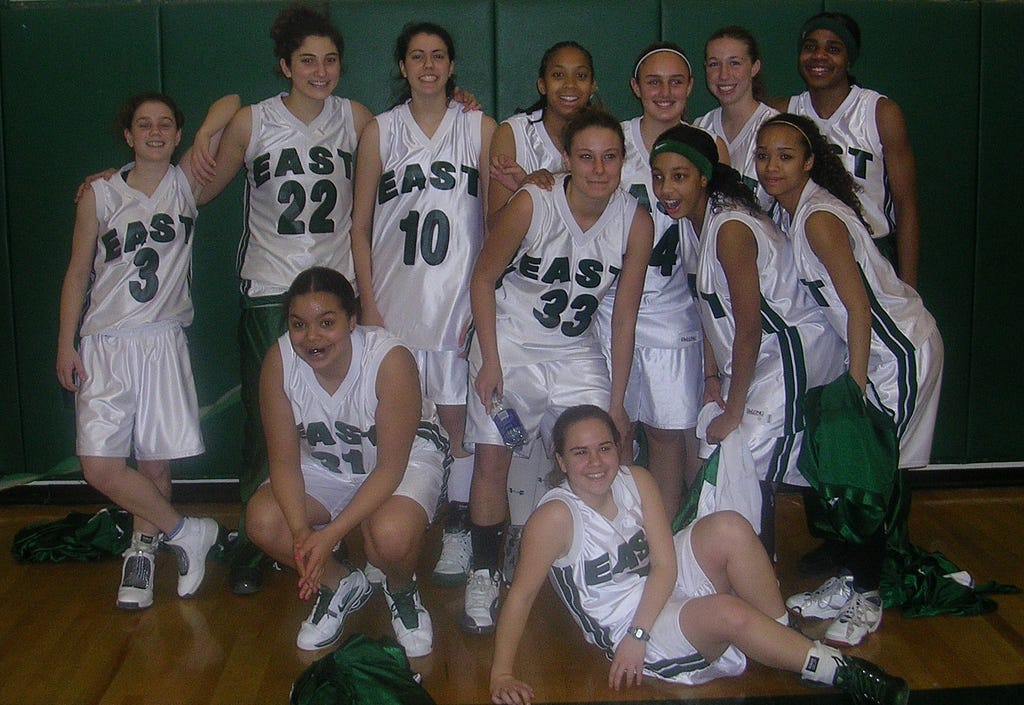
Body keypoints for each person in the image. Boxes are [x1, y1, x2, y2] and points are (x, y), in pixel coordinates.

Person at [489, 405, 910, 705]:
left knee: (728, 526)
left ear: (620, 449)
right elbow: (521, 597)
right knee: (728, 613)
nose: (596, 462)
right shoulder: (555, 519)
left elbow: (665, 563)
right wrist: (501, 674)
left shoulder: (635, 478)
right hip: (627, 630)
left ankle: (787, 640)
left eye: (605, 448)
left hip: (661, 584)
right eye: (580, 453)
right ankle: (845, 674)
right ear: (561, 461)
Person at [188, 2, 373, 595]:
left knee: (346, 418)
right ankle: (258, 533)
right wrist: (200, 133)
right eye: (307, 61)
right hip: (273, 291)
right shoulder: (254, 120)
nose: (320, 71)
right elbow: (198, 191)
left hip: (337, 293)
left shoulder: (357, 118)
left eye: (330, 60)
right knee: (266, 423)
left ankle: (340, 526)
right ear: (285, 66)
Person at [463, 107, 654, 634]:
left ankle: (598, 566)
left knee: (600, 453)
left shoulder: (635, 219)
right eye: (586, 157)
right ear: (566, 158)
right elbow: (482, 280)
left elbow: (624, 317)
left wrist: (616, 400)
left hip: (575, 350)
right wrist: (490, 358)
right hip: (511, 343)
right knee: (492, 459)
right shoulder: (534, 201)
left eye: (610, 157)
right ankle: (484, 572)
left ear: (623, 160)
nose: (598, 169)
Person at [755, 113, 943, 646]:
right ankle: (850, 580)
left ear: (810, 161)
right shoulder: (790, 210)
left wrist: (854, 390)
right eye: (764, 155)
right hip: (869, 352)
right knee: (850, 473)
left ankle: (867, 596)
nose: (772, 166)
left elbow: (858, 307)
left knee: (863, 476)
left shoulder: (817, 218)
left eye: (786, 156)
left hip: (897, 352)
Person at [56, 93, 223, 610]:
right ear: (127, 136)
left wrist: (197, 140)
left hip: (160, 339)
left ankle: (143, 550)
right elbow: (78, 272)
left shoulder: (188, 183)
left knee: (154, 464)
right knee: (98, 465)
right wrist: (65, 343)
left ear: (178, 135)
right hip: (104, 341)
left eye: (166, 125)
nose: (155, 132)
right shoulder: (99, 193)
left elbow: (230, 106)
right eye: (143, 125)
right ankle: (186, 531)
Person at [648, 124, 844, 545]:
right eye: (658, 176)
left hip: (790, 349)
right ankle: (746, 568)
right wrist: (713, 379)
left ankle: (757, 580)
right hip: (758, 356)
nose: (666, 188)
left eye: (679, 176)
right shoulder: (691, 219)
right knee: (729, 469)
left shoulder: (731, 227)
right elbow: (710, 311)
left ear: (703, 176)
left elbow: (750, 326)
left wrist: (734, 410)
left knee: (740, 465)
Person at [350, 22, 495, 588]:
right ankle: (385, 528)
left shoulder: (479, 127)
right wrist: (368, 303)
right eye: (417, 56)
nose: (428, 65)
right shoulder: (380, 133)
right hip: (394, 301)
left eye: (439, 56)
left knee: (459, 425)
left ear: (453, 66)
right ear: (403, 66)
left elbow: (496, 219)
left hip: (458, 302)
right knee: (395, 427)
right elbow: (359, 227)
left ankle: (457, 525)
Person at [245, 266, 450, 656]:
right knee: (264, 521)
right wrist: (304, 537)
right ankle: (339, 584)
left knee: (388, 534)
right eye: (299, 325)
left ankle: (401, 589)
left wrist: (330, 535)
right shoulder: (279, 361)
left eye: (326, 322)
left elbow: (389, 468)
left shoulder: (389, 360)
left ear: (352, 320)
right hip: (329, 464)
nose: (312, 337)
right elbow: (285, 462)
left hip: (401, 463)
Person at [485, 41, 599, 584]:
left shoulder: (604, 144)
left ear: (595, 84)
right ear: (540, 82)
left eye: (580, 75)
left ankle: (573, 550)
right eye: (558, 74)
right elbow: (492, 222)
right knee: (498, 450)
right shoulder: (513, 133)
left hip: (578, 322)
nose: (569, 85)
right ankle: (498, 555)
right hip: (516, 310)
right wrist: (525, 189)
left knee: (583, 446)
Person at [600, 41, 714, 514]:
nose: (664, 92)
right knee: (613, 431)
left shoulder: (706, 146)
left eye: (675, 82)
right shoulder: (613, 141)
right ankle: (619, 536)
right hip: (608, 311)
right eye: (653, 81)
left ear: (690, 88)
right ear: (635, 88)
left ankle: (667, 541)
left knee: (671, 434)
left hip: (674, 315)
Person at [768, 12, 921, 288]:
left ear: (849, 59)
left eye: (834, 49)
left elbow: (906, 205)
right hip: (797, 259)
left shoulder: (880, 113)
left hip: (868, 256)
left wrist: (908, 289)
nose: (819, 56)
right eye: (810, 46)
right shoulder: (781, 112)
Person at [694, 26, 778, 209]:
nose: (724, 75)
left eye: (735, 63)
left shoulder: (776, 129)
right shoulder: (699, 128)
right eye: (714, 64)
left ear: (754, 67)